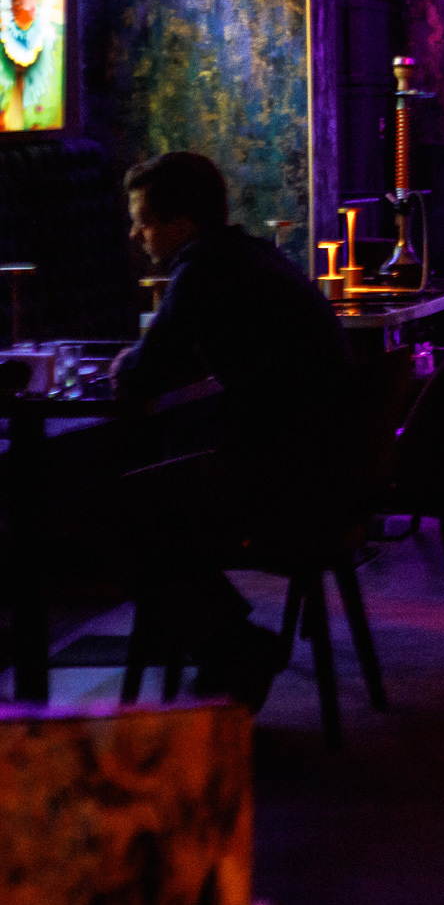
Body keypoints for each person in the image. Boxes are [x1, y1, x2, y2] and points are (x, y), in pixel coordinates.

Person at [103, 152, 357, 709]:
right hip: (330, 467)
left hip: (286, 482)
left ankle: (230, 643)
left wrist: (129, 365)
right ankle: (217, 638)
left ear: (182, 223)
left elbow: (141, 373)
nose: (135, 234)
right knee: (152, 492)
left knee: (118, 511)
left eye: (144, 221)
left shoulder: (202, 270)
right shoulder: (253, 255)